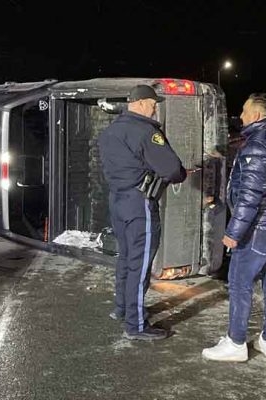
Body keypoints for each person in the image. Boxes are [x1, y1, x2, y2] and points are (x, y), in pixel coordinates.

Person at [202, 93, 266, 361]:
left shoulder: (257, 146)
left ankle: (235, 343)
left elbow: (250, 195)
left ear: (256, 114)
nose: (241, 116)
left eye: (244, 111)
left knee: (239, 283)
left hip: (260, 226)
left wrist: (234, 232)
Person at [98, 84, 187, 341]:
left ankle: (123, 308)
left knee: (126, 257)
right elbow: (172, 169)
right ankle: (135, 325)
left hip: (118, 201)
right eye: (152, 103)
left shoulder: (111, 131)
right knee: (140, 263)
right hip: (140, 204)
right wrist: (180, 174)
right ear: (139, 103)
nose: (155, 107)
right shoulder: (146, 132)